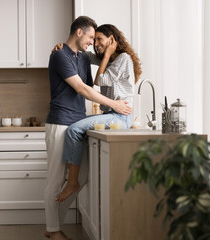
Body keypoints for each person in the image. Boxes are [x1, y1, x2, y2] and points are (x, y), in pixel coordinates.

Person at [44, 17, 132, 240]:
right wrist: (114, 105)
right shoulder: (59, 55)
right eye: (92, 37)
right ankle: (53, 230)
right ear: (79, 32)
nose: (93, 43)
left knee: (80, 178)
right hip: (59, 121)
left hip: (76, 121)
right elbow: (82, 88)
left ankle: (53, 224)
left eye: (96, 39)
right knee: (56, 179)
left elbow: (93, 82)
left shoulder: (82, 57)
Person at [55, 24, 142, 203]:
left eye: (99, 40)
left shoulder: (122, 58)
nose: (95, 44)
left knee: (73, 130)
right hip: (111, 114)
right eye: (94, 40)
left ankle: (72, 182)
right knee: (75, 127)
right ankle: (71, 177)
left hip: (120, 116)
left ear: (112, 40)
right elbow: (82, 53)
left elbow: (98, 80)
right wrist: (61, 48)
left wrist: (108, 53)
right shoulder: (108, 58)